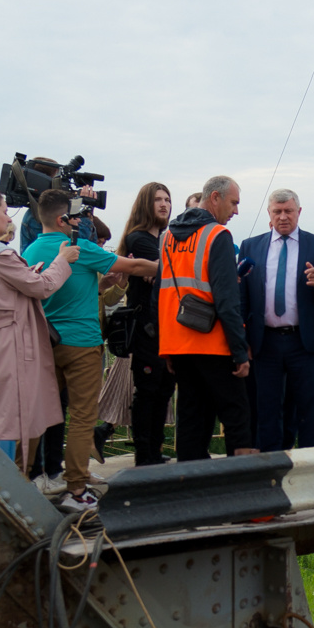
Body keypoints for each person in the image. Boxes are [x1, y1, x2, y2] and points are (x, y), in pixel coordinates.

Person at [21, 190, 155, 511]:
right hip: (82, 342)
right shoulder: (80, 248)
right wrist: (173, 265)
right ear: (61, 219)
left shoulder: (30, 250)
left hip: (45, 342)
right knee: (81, 417)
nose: (79, 221)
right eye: (74, 216)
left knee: (40, 415)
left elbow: (55, 288)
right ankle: (77, 487)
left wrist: (102, 285)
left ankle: (22, 476)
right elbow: (134, 266)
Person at [0, 190, 77, 464]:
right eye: (3, 211)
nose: (6, 217)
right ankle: (5, 486)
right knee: (6, 417)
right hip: (6, 345)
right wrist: (61, 260)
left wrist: (26, 273)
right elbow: (42, 287)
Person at [159, 175, 253, 461]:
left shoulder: (167, 236)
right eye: (233, 203)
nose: (235, 211)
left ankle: (191, 486)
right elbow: (227, 299)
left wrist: (166, 347)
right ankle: (244, 486)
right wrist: (240, 351)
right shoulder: (217, 236)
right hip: (213, 342)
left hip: (178, 342)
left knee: (191, 418)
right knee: (237, 416)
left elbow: (159, 294)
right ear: (215, 198)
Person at [240, 189, 314, 451]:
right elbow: (242, 297)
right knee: (267, 410)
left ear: (299, 212)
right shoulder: (251, 246)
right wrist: (243, 341)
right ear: (269, 214)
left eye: (288, 211)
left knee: (308, 409)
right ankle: (270, 470)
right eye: (277, 211)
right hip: (265, 342)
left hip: (304, 342)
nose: (283, 217)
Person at [120, 182, 177, 466]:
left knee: (164, 391)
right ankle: (145, 455)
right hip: (147, 328)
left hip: (164, 328)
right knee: (148, 392)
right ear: (146, 204)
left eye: (167, 199)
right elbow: (170, 272)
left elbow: (168, 272)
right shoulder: (139, 239)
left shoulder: (162, 240)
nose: (164, 204)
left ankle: (154, 450)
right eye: (157, 200)